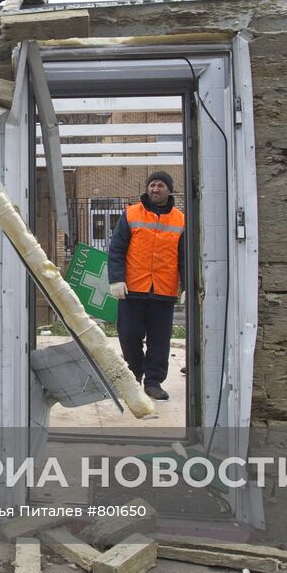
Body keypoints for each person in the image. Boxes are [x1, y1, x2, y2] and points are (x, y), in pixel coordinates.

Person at [106, 171, 186, 402]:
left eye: (160, 185)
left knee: (159, 340)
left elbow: (184, 257)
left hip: (164, 290)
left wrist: (187, 287)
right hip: (133, 289)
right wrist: (116, 279)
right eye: (152, 185)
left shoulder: (180, 220)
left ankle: (153, 382)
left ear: (169, 190)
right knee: (128, 335)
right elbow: (117, 249)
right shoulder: (131, 214)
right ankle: (134, 372)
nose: (155, 189)